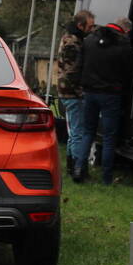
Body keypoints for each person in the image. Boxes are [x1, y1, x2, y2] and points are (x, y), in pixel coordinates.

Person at [72, 16, 133, 185]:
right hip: (111, 95)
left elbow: (80, 64)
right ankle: (106, 178)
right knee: (108, 137)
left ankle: (78, 168)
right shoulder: (123, 45)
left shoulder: (90, 40)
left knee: (87, 132)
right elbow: (128, 72)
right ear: (126, 30)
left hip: (90, 92)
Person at [55, 9, 95, 178]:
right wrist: (81, 91)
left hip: (68, 91)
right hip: (72, 93)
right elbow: (71, 72)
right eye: (90, 26)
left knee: (74, 132)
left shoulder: (70, 38)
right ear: (80, 25)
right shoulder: (73, 43)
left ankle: (72, 165)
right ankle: (79, 168)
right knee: (78, 132)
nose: (91, 30)